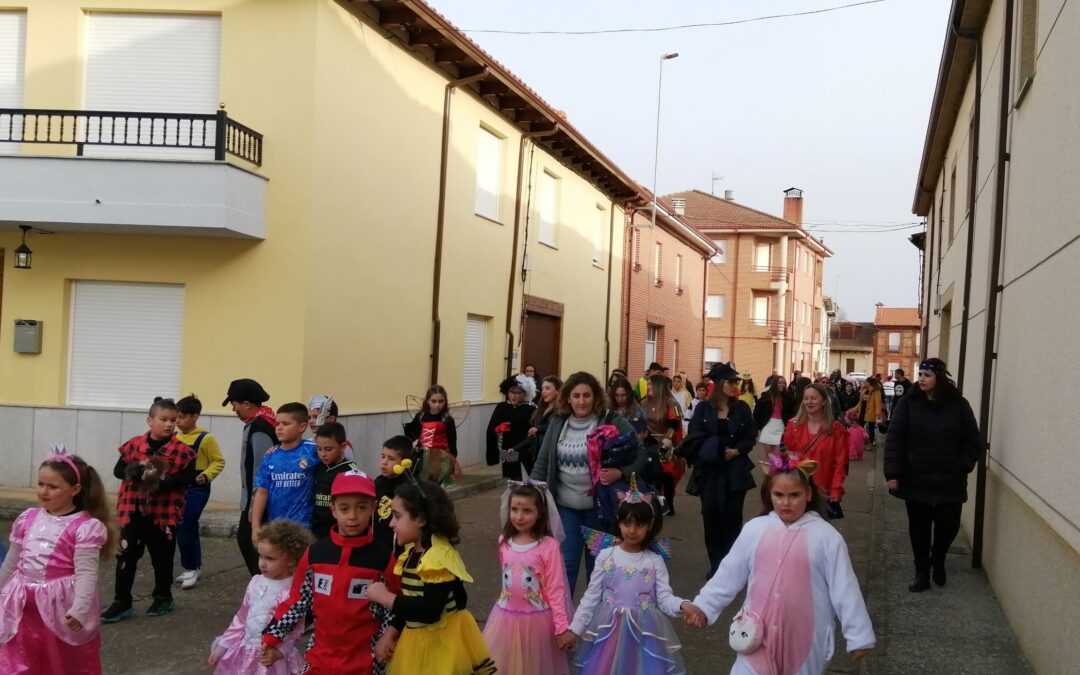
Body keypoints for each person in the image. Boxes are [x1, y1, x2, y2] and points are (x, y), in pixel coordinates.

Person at [684, 451, 875, 673]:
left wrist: (858, 635)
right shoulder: (755, 529)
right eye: (778, 495)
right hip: (755, 634)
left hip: (805, 638)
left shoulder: (826, 537)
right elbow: (729, 573)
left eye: (794, 495)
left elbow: (845, 588)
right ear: (769, 494)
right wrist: (704, 606)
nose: (786, 503)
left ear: (809, 494)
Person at [262, 470, 399, 673]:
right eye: (344, 509)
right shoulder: (316, 553)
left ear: (374, 508)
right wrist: (271, 636)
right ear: (333, 509)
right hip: (320, 656)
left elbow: (395, 605)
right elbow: (297, 600)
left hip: (365, 659)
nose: (352, 516)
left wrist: (389, 636)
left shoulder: (383, 557)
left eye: (361, 508)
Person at [559, 479, 695, 673]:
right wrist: (575, 630)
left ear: (650, 526)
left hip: (645, 634)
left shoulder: (654, 560)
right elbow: (591, 598)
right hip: (609, 632)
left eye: (639, 524)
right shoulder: (606, 556)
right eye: (627, 523)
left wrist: (683, 605)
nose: (632, 530)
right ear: (619, 523)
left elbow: (664, 598)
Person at [0, 449, 117, 673]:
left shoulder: (85, 527)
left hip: (60, 608)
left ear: (75, 490)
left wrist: (80, 609)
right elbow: (12, 561)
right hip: (23, 605)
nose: (44, 491)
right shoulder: (28, 518)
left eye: (53, 487)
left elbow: (86, 573)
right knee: (20, 656)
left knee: (61, 661)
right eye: (40, 484)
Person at [530, 372, 646, 592]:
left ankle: (598, 621)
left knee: (599, 569)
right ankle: (564, 622)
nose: (581, 401)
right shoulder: (558, 421)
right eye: (576, 396)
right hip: (566, 509)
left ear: (596, 397)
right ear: (567, 398)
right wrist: (531, 499)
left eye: (587, 395)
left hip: (600, 511)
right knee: (566, 566)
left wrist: (620, 472)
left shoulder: (611, 420)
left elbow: (640, 452)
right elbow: (543, 463)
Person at [366, 481, 496, 675]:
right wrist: (391, 631)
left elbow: (429, 611)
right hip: (416, 641)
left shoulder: (437, 557)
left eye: (397, 516)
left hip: (443, 645)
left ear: (420, 519)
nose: (391, 523)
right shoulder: (410, 554)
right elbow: (412, 602)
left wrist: (385, 597)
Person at [885, 358, 980, 592]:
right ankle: (922, 571)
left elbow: (972, 439)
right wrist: (893, 472)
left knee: (949, 526)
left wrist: (963, 465)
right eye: (921, 374)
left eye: (927, 375)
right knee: (919, 529)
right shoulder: (908, 402)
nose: (922, 379)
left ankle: (938, 558)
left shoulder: (958, 404)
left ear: (939, 377)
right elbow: (895, 439)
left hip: (950, 480)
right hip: (916, 477)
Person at [101, 397, 196, 622]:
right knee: (126, 555)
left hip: (163, 515)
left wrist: (165, 480)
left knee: (162, 557)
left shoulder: (183, 451)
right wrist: (134, 470)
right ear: (150, 421)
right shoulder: (134, 445)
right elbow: (118, 469)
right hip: (132, 511)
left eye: (174, 420)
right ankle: (121, 601)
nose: (169, 425)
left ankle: (163, 597)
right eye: (163, 419)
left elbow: (188, 478)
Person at [482, 482, 571, 675]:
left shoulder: (549, 546)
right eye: (514, 509)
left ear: (540, 513)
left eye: (527, 510)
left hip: (537, 621)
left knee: (533, 666)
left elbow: (555, 589)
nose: (519, 516)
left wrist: (561, 626)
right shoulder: (504, 541)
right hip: (504, 617)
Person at [209, 520, 313, 674]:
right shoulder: (255, 582)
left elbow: (297, 630)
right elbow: (241, 618)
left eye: (270, 559)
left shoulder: (294, 591)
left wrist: (280, 652)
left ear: (291, 560)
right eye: (261, 556)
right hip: (244, 654)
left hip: (273, 659)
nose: (262, 564)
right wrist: (224, 644)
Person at [684, 363, 758, 577]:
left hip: (735, 472)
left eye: (737, 382)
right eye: (731, 382)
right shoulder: (703, 409)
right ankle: (717, 565)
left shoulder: (741, 408)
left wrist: (737, 451)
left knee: (732, 519)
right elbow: (694, 437)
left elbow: (751, 436)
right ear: (718, 385)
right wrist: (714, 449)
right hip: (710, 472)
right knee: (711, 518)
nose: (735, 385)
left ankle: (732, 567)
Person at [223, 378, 277, 576]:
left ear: (246, 404)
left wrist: (253, 506)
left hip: (258, 501)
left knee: (249, 541)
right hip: (256, 500)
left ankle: (262, 583)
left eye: (234, 405)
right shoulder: (262, 421)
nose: (233, 410)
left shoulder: (260, 427)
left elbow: (260, 469)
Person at [174, 394, 226, 590]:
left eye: (181, 417)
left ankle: (191, 567)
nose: (177, 421)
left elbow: (218, 461)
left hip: (197, 489)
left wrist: (206, 475)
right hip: (178, 487)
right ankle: (191, 565)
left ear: (194, 416)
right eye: (175, 417)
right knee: (180, 526)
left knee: (187, 523)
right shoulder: (175, 437)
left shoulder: (206, 438)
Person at [249, 403, 320, 538]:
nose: (279, 428)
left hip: (304, 528)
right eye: (277, 424)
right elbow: (262, 492)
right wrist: (255, 527)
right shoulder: (270, 456)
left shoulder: (313, 450)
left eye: (286, 424)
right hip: (275, 528)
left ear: (302, 427)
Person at [782, 383, 849, 520]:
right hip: (796, 489)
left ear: (824, 401)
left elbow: (840, 464)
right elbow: (786, 456)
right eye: (806, 398)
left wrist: (835, 491)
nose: (809, 402)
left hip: (822, 491)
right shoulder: (792, 426)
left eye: (813, 398)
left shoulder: (836, 430)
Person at [642, 375, 684, 517]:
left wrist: (668, 439)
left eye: (651, 385)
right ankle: (653, 503)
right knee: (651, 474)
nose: (648, 388)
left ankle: (668, 504)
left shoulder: (671, 403)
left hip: (666, 442)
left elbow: (675, 422)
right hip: (647, 441)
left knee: (666, 474)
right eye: (648, 385)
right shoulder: (643, 403)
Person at [311, 422, 359, 539]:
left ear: (342, 447)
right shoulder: (316, 465)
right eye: (319, 449)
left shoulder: (350, 471)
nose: (323, 454)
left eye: (328, 449)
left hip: (338, 531)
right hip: (315, 529)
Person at [403, 385, 459, 486]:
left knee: (432, 488)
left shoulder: (447, 419)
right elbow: (412, 436)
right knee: (417, 486)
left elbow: (452, 444)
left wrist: (452, 467)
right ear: (428, 401)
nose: (437, 405)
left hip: (439, 459)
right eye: (434, 401)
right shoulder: (420, 416)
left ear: (445, 401)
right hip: (420, 458)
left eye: (441, 401)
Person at [486, 375, 538, 480]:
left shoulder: (531, 408)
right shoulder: (502, 407)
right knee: (512, 477)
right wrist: (498, 429)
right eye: (511, 392)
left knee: (525, 478)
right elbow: (491, 428)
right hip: (507, 449)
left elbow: (536, 429)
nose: (514, 396)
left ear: (525, 393)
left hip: (524, 450)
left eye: (518, 393)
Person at [374, 436, 414, 549]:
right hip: (377, 542)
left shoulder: (408, 487)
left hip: (398, 546)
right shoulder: (377, 483)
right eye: (383, 457)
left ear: (404, 462)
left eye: (391, 459)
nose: (384, 462)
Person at [753, 376, 796, 453]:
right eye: (780, 382)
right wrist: (760, 426)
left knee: (778, 458)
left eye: (784, 383)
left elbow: (792, 414)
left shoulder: (789, 398)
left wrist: (789, 427)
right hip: (768, 427)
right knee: (769, 458)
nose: (782, 385)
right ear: (775, 383)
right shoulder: (766, 397)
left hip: (781, 428)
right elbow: (757, 412)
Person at [308, 395, 355, 461]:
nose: (310, 421)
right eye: (309, 417)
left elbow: (350, 469)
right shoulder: (308, 443)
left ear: (331, 419)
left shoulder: (343, 446)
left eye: (316, 417)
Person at [527, 375, 563, 451]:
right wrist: (515, 448)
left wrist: (538, 428)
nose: (543, 391)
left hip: (551, 454)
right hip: (535, 454)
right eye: (542, 389)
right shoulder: (539, 409)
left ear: (558, 390)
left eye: (547, 388)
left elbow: (556, 429)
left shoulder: (562, 411)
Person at [859, 379, 885, 447]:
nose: (864, 382)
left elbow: (878, 404)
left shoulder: (876, 391)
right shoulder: (864, 389)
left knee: (871, 429)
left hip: (871, 413)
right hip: (862, 411)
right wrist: (854, 409)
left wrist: (878, 415)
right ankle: (863, 441)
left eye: (866, 381)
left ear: (870, 383)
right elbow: (860, 403)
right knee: (861, 427)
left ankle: (870, 444)